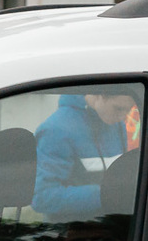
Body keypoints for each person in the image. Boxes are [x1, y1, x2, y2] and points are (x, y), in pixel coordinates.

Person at [30, 90, 141, 222]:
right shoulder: (56, 130)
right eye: (118, 109)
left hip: (111, 227)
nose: (123, 117)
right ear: (99, 95)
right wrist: (106, 194)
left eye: (128, 110)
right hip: (71, 230)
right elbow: (42, 197)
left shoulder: (117, 125)